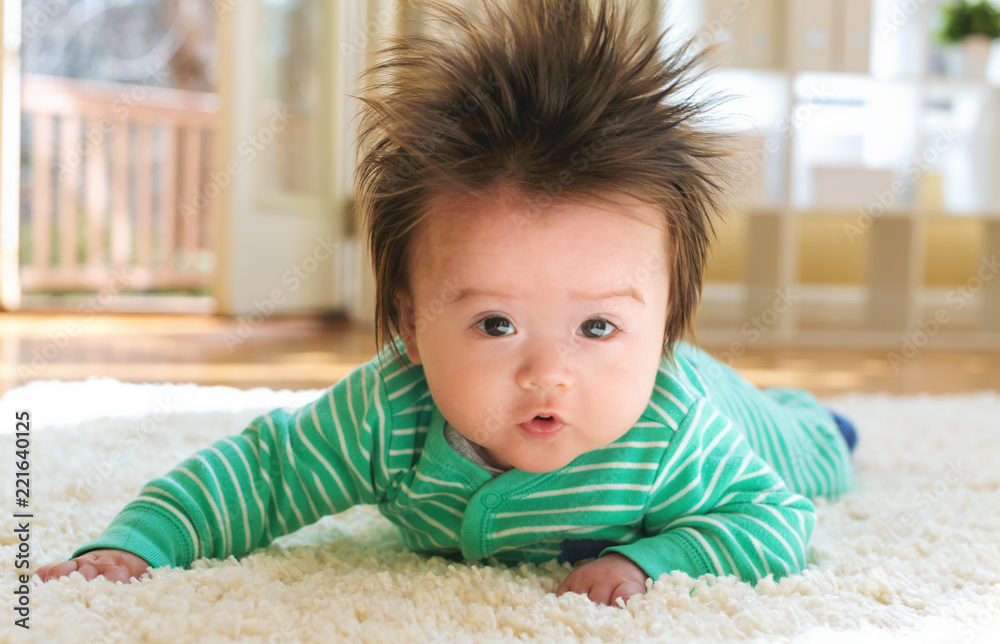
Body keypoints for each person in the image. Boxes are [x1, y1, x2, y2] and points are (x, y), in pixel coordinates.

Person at [37, 0, 856, 607]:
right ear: (409, 327)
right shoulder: (387, 413)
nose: (548, 375)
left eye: (598, 326)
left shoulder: (676, 430)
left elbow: (776, 521)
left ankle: (822, 420)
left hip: (739, 413)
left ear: (667, 325)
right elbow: (264, 472)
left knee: (810, 453)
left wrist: (657, 559)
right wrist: (140, 542)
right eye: (496, 323)